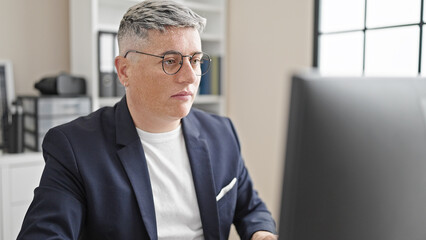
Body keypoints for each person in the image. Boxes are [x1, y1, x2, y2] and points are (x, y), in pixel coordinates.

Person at [17, 1, 277, 239]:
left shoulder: (222, 133)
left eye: (195, 60)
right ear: (124, 71)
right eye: (171, 61)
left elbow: (250, 208)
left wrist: (262, 233)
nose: (189, 76)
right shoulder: (75, 147)